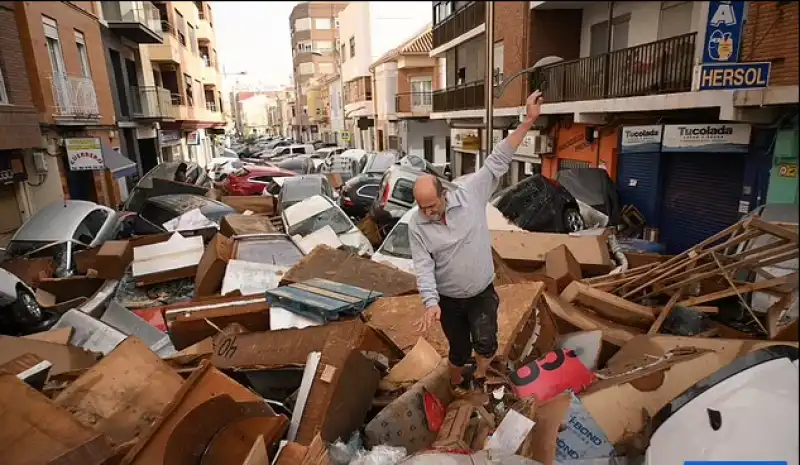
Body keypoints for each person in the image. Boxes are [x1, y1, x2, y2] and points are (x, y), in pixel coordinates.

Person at [409, 90, 544, 394]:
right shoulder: (416, 225)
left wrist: (528, 121)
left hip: (481, 291)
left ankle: (480, 377)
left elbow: (498, 159)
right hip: (449, 299)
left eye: (432, 206)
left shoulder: (470, 193)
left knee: (485, 341)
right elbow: (423, 265)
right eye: (423, 208)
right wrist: (431, 302)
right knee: (458, 349)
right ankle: (456, 384)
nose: (428, 213)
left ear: (443, 193)